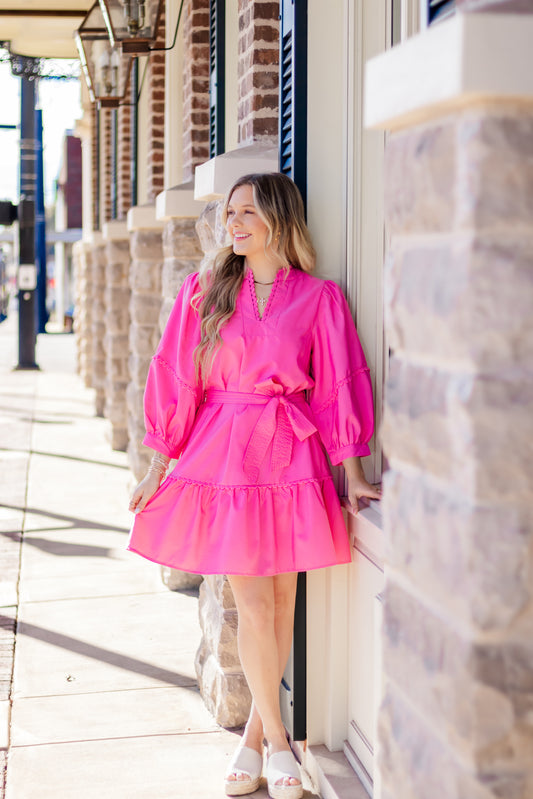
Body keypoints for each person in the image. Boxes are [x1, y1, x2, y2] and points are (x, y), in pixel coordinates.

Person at [128, 172, 381, 799]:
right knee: (256, 606)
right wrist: (156, 463)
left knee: (284, 603)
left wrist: (352, 473)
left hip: (292, 457)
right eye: (228, 212)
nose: (232, 223)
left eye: (246, 212)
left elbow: (337, 384)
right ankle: (281, 743)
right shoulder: (205, 289)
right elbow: (176, 376)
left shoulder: (319, 298)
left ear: (279, 219)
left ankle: (255, 742)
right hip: (224, 457)